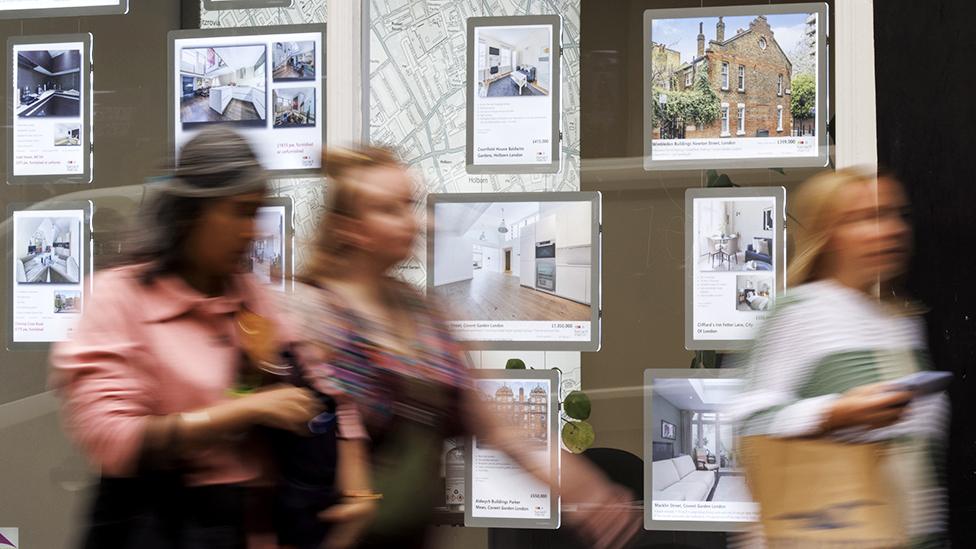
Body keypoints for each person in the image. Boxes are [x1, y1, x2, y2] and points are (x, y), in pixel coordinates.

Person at [275, 146, 640, 549]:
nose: (415, 221)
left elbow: (493, 424)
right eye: (388, 208)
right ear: (349, 227)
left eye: (409, 204)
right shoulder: (312, 317)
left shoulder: (423, 314)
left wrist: (582, 490)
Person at [49, 127, 324, 549]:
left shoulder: (248, 297)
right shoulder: (119, 297)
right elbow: (112, 438)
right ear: (190, 213)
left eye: (257, 214)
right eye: (240, 212)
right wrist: (247, 411)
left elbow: (303, 386)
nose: (254, 231)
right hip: (156, 525)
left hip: (241, 526)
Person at [732, 168, 948, 547]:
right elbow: (749, 423)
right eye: (869, 217)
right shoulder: (799, 311)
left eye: (898, 215)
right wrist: (835, 413)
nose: (893, 229)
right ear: (829, 234)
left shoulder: (903, 323)